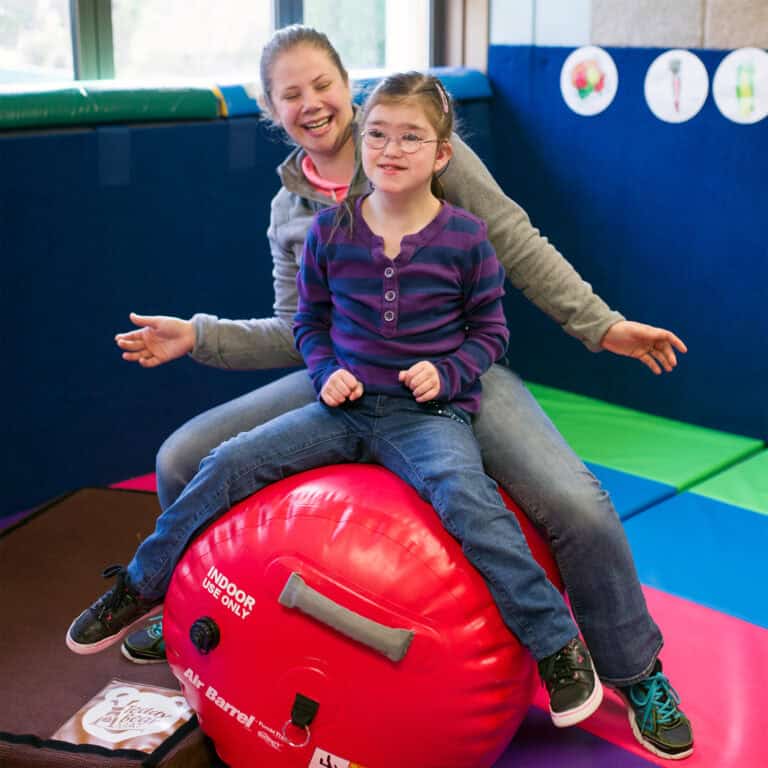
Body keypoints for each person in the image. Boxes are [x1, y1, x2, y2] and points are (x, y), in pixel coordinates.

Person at [110, 26, 691, 759]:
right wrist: (199, 335)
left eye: (321, 84)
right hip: (346, 375)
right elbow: (297, 330)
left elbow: (513, 236)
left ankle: (635, 671)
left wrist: (600, 326)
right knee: (182, 456)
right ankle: (188, 592)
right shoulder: (290, 209)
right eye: (290, 95)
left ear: (346, 85)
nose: (311, 104)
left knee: (577, 504)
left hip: (451, 372)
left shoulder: (415, 141)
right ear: (270, 109)